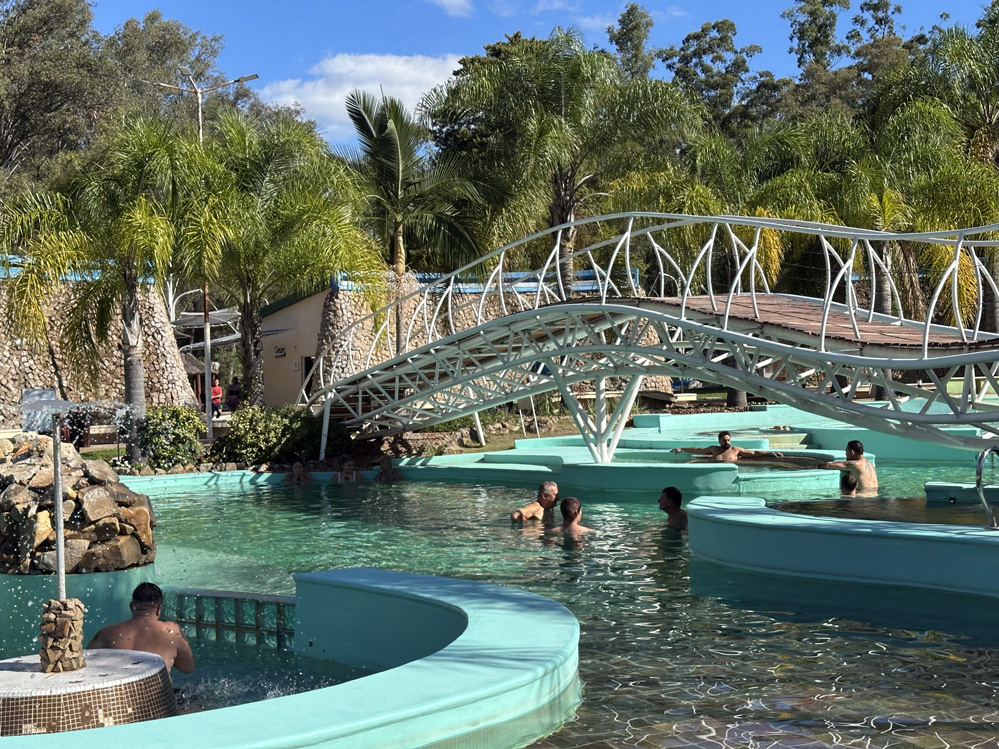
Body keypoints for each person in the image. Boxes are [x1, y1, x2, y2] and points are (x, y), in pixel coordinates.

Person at [87, 582, 194, 674]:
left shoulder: (107, 633)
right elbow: (188, 667)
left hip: (121, 695)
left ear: (131, 606)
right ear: (159, 609)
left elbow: (85, 663)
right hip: (158, 695)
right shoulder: (172, 631)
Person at [672, 431, 783, 463]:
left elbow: (753, 453)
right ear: (719, 441)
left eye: (728, 440)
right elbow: (698, 450)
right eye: (724, 440)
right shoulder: (714, 449)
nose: (727, 442)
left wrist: (771, 453)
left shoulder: (736, 450)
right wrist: (682, 448)